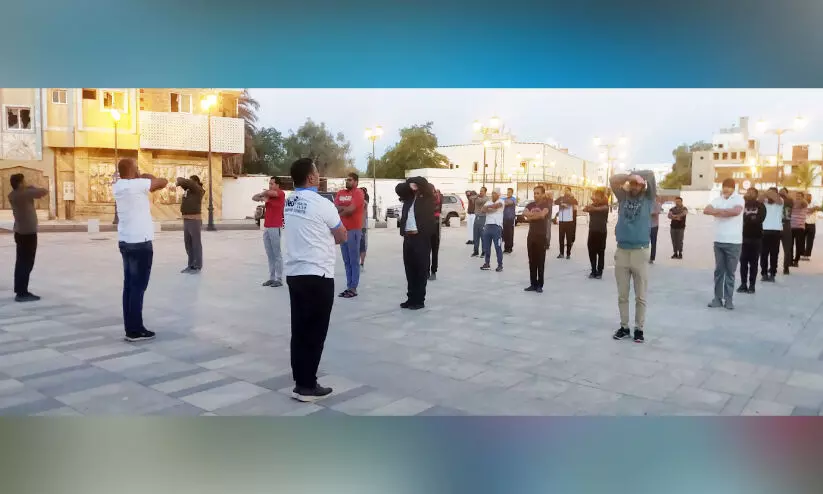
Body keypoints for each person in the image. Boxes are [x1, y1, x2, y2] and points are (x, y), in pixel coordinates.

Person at [283, 158, 347, 402]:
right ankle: (308, 386)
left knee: (299, 330)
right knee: (315, 332)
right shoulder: (323, 204)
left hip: (295, 273)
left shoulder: (290, 201)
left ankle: (300, 381)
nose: (319, 176)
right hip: (318, 274)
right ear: (310, 177)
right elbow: (341, 235)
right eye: (317, 172)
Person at [112, 158, 168, 342]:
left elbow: (152, 184)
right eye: (136, 168)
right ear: (132, 169)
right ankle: (136, 330)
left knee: (129, 286)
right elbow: (163, 182)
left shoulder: (118, 186)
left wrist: (139, 176)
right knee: (138, 287)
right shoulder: (137, 185)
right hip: (140, 243)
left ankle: (130, 328)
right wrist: (143, 175)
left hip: (125, 241)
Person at [609, 170, 656, 343]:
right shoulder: (623, 197)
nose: (634, 186)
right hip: (622, 250)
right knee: (622, 294)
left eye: (638, 184)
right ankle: (624, 326)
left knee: (640, 295)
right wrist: (630, 176)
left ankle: (639, 328)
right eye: (632, 184)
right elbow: (613, 179)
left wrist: (637, 175)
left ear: (643, 185)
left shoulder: (648, 198)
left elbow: (650, 174)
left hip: (640, 251)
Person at [704, 178, 745, 310]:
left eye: (729, 187)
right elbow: (706, 210)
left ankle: (728, 300)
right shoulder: (718, 199)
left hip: (734, 242)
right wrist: (724, 212)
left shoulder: (738, 199)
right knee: (719, 272)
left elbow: (736, 212)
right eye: (724, 187)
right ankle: (717, 299)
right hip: (719, 241)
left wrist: (717, 212)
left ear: (733, 188)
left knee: (730, 273)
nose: (726, 189)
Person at [8, 173, 48, 302]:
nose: (26, 182)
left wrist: (28, 188)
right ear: (20, 183)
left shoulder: (13, 194)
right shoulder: (24, 193)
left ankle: (20, 290)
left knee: (21, 262)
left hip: (20, 232)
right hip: (27, 234)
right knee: (26, 263)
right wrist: (31, 187)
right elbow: (43, 191)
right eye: (24, 181)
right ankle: (22, 293)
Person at [396, 176, 435, 310]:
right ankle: (411, 298)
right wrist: (409, 184)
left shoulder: (427, 198)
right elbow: (398, 188)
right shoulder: (408, 197)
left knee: (421, 269)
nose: (413, 186)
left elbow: (425, 185)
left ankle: (419, 300)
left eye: (415, 184)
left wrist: (417, 184)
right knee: (409, 269)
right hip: (408, 237)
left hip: (421, 238)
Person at [334, 172, 365, 298]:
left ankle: (353, 288)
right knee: (346, 261)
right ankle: (349, 286)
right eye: (347, 179)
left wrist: (341, 210)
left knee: (353, 260)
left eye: (350, 180)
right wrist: (344, 209)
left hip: (354, 230)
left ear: (356, 182)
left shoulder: (358, 193)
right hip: (343, 230)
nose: (347, 181)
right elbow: (335, 207)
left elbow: (351, 209)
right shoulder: (340, 192)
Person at [253, 177, 286, 287]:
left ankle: (279, 279)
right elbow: (254, 197)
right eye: (269, 183)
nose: (270, 185)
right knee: (270, 254)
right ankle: (272, 278)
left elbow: (269, 193)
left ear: (277, 185)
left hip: (275, 227)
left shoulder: (280, 193)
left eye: (272, 184)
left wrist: (264, 194)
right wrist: (263, 195)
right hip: (267, 227)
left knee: (277, 254)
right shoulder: (269, 195)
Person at [737, 187, 766, 294]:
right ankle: (743, 284)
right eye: (748, 192)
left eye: (752, 192)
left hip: (756, 238)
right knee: (743, 262)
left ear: (756, 195)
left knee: (754, 263)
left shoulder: (761, 205)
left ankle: (752, 285)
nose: (749, 194)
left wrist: (748, 218)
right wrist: (751, 218)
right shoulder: (742, 204)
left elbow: (760, 219)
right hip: (743, 237)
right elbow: (740, 218)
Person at [523, 186, 550, 292]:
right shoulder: (530, 204)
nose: (535, 195)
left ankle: (540, 285)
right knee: (532, 261)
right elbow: (524, 213)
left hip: (541, 236)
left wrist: (530, 217)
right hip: (531, 236)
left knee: (540, 261)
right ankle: (533, 284)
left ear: (543, 194)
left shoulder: (546, 205)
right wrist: (534, 215)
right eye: (534, 193)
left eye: (538, 193)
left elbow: (542, 215)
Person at [176, 175, 204, 274]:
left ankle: (197, 266)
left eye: (191, 181)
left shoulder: (198, 190)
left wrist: (180, 180)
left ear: (195, 182)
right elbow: (186, 185)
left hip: (194, 219)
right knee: (188, 244)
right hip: (186, 219)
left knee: (196, 244)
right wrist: (180, 183)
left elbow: (188, 183)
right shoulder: (189, 191)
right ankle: (191, 265)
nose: (189, 183)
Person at [583, 188, 609, 279]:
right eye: (595, 195)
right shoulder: (592, 205)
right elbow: (584, 209)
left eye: (598, 196)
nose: (596, 197)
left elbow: (601, 209)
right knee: (591, 251)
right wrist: (592, 204)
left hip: (601, 232)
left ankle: (599, 271)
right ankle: (593, 270)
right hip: (592, 231)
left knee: (601, 252)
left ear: (602, 197)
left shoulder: (605, 206)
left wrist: (593, 207)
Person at [759, 187, 783, 283]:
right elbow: (759, 199)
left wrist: (769, 193)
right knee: (763, 254)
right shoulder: (764, 201)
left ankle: (772, 273)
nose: (771, 195)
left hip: (776, 231)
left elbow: (777, 200)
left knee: (774, 254)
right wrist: (767, 193)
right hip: (764, 230)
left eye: (773, 193)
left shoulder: (780, 201)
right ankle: (764, 273)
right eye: (769, 193)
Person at [480, 188, 505, 272]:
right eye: (492, 193)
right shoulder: (488, 202)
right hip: (487, 226)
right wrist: (490, 208)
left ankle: (500, 265)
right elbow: (482, 210)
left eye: (495, 193)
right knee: (487, 247)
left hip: (497, 227)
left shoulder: (501, 201)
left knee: (498, 247)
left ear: (498, 194)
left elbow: (496, 206)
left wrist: (488, 209)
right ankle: (487, 263)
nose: (493, 195)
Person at [556, 187, 578, 259]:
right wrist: (562, 203)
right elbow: (555, 202)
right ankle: (561, 253)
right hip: (561, 221)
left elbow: (575, 202)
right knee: (561, 238)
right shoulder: (561, 198)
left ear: (570, 191)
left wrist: (566, 202)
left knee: (569, 238)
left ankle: (568, 254)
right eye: (565, 190)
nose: (566, 191)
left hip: (569, 221)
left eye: (567, 190)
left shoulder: (572, 198)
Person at [790, 191, 809, 267]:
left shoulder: (804, 203)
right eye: (797, 196)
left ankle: (796, 261)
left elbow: (804, 203)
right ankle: (790, 260)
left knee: (798, 245)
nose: (798, 197)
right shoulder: (793, 203)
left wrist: (801, 200)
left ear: (802, 197)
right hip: (791, 227)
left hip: (800, 228)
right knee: (790, 245)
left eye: (799, 196)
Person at [779, 187, 794, 275]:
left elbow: (791, 200)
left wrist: (784, 194)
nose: (781, 193)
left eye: (783, 192)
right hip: (777, 226)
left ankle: (786, 267)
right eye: (780, 192)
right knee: (774, 249)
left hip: (786, 225)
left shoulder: (789, 201)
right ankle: (772, 267)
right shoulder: (776, 201)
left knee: (787, 249)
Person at [471, 187, 489, 257]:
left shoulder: (486, 199)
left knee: (483, 235)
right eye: (480, 191)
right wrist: (476, 196)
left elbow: (480, 201)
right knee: (475, 235)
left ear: (485, 192)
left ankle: (484, 251)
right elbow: (470, 198)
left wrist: (476, 197)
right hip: (476, 217)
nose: (480, 192)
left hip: (483, 218)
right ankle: (476, 251)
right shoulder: (477, 198)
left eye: (482, 191)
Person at [429, 185, 442, 281]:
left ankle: (432, 271)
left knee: (433, 249)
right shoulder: (437, 196)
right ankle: (431, 271)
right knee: (432, 250)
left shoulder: (436, 197)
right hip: (433, 223)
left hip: (433, 223)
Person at [502, 187, 517, 253]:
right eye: (507, 192)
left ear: (512, 193)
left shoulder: (513, 199)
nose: (508, 193)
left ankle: (510, 248)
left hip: (510, 218)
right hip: (504, 218)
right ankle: (506, 248)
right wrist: (504, 202)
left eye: (509, 192)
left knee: (510, 233)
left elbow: (508, 203)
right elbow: (500, 202)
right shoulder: (504, 198)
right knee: (505, 233)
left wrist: (504, 202)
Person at [803, 193, 818, 260]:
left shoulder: (814, 202)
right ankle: (802, 253)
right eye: (807, 196)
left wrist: (808, 210)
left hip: (812, 224)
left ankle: (807, 255)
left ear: (811, 197)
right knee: (801, 240)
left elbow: (816, 208)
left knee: (810, 241)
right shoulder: (803, 203)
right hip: (803, 224)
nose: (808, 198)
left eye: (809, 197)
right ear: (805, 197)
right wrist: (809, 210)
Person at [649, 197, 662, 264]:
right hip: (645, 226)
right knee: (643, 242)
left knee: (653, 243)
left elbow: (656, 213)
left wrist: (647, 213)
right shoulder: (645, 203)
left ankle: (652, 258)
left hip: (654, 226)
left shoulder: (657, 204)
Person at [360, 187, 369, 270]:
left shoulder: (364, 202)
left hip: (362, 227)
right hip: (356, 227)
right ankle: (359, 262)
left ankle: (362, 263)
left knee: (362, 246)